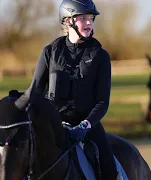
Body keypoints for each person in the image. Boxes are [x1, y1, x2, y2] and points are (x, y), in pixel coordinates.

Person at [31, 0, 118, 179]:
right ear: (67, 21)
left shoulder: (101, 56)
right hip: (53, 124)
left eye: (91, 18)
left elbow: (102, 101)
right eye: (83, 18)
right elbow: (35, 94)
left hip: (87, 125)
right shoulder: (49, 52)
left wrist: (84, 126)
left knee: (108, 168)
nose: (89, 23)